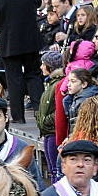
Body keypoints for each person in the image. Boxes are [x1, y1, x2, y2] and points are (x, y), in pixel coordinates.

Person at [37, 51, 65, 181]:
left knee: (55, 170)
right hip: (47, 132)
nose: (41, 67)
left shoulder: (57, 85)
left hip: (53, 132)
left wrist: (45, 121)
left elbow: (59, 109)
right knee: (51, 169)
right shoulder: (50, 83)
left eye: (44, 64)